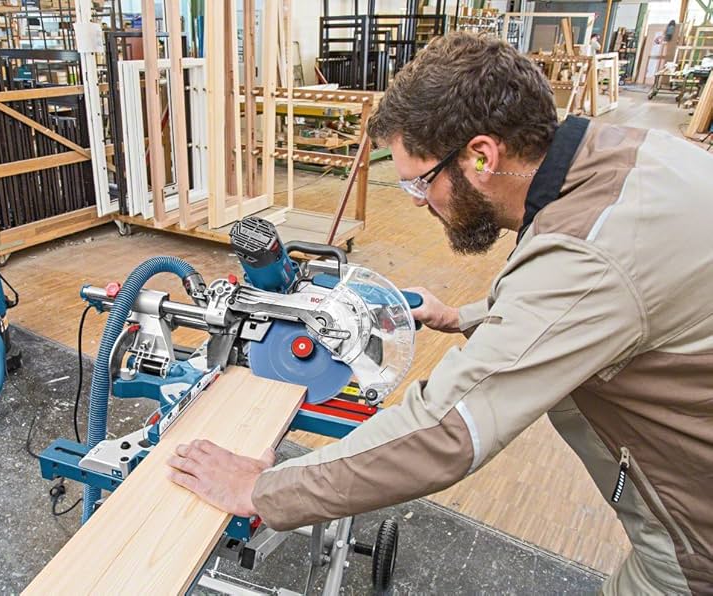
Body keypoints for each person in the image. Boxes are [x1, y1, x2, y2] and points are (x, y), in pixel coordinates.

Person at [167, 32, 713, 594]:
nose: (417, 201)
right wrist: (465, 317)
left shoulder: (589, 251)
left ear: (482, 155)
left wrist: (264, 491)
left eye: (418, 181)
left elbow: (447, 430)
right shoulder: (630, 155)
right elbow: (601, 302)